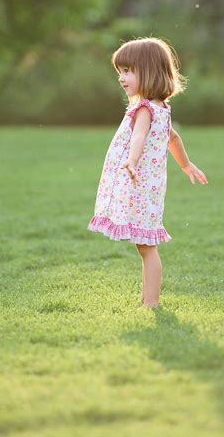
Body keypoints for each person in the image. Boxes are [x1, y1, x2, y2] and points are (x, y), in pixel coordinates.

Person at [87, 36, 208, 309]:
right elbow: (173, 139)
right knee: (145, 246)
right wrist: (186, 165)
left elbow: (139, 137)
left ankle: (151, 303)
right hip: (149, 188)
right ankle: (147, 299)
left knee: (146, 248)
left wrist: (131, 160)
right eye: (120, 72)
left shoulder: (144, 109)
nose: (121, 78)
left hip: (140, 186)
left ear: (149, 72)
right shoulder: (162, 109)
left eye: (128, 71)